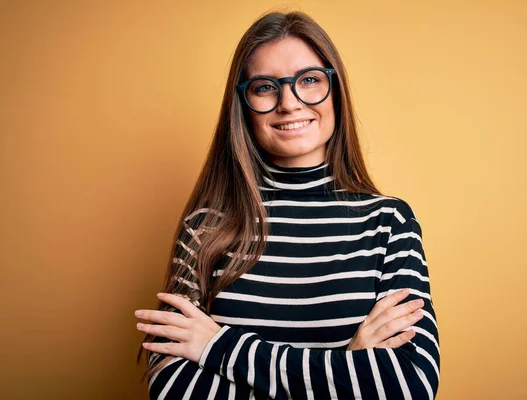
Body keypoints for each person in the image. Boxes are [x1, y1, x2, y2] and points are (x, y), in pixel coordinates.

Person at [135, 10, 440, 400]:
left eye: (309, 80)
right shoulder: (205, 227)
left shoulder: (388, 223)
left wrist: (218, 347)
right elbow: (173, 390)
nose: (289, 103)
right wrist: (347, 363)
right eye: (265, 87)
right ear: (243, 103)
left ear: (336, 89)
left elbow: (408, 385)